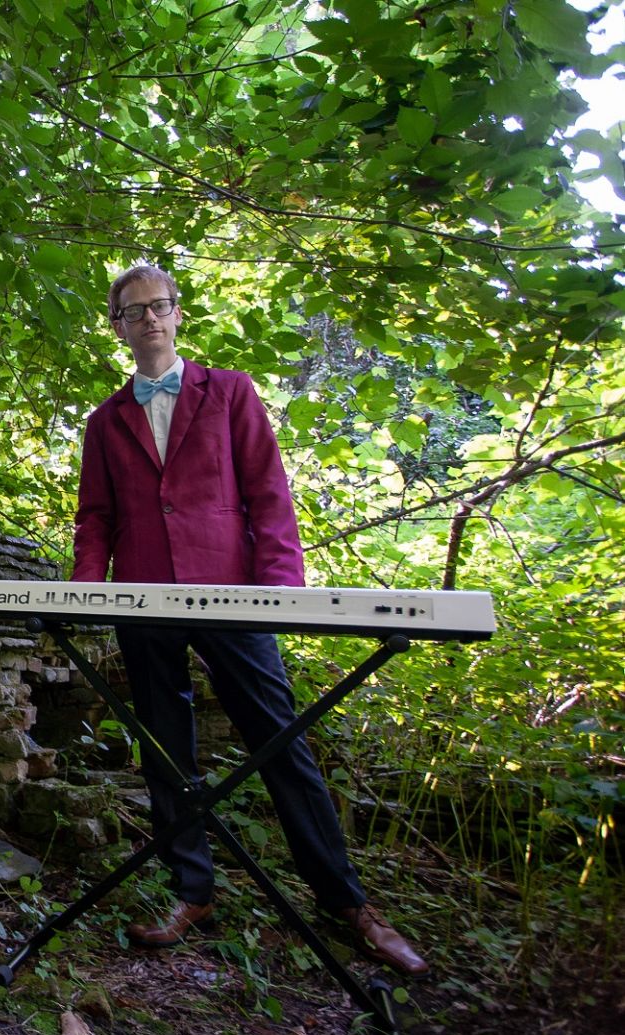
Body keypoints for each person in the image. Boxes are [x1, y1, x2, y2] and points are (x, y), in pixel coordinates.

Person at [70, 264, 428, 976]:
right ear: (117, 326)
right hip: (142, 599)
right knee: (164, 748)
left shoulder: (230, 391)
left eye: (160, 306)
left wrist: (281, 590)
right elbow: (96, 517)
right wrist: (85, 593)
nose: (149, 318)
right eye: (134, 310)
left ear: (177, 314)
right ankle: (191, 890)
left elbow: (268, 491)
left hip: (232, 595)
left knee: (280, 740)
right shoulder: (104, 420)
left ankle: (345, 902)